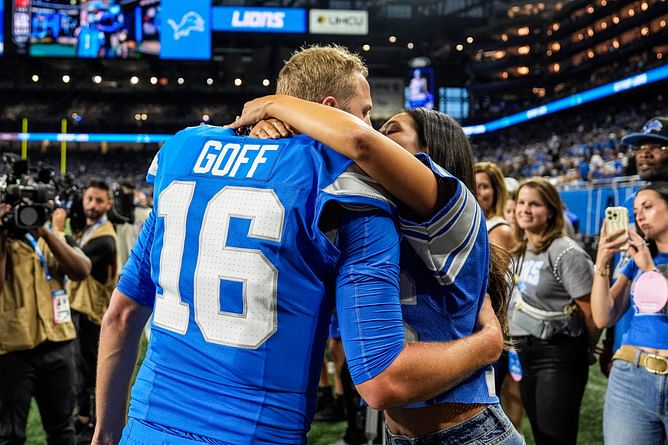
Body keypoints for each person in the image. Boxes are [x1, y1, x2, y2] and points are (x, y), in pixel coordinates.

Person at [92, 45, 504, 445]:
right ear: (331, 109)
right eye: (365, 115)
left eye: (384, 129)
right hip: (261, 429)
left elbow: (123, 314)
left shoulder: (184, 150)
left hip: (151, 420)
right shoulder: (344, 186)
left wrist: (105, 431)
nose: (371, 129)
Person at [231, 99, 522, 443]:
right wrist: (276, 133)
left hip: (468, 432)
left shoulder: (452, 203)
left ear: (431, 152)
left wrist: (273, 104)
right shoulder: (369, 214)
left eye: (391, 131)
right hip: (398, 432)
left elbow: (359, 142)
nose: (374, 132)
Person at [508, 177, 600, 445]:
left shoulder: (564, 251)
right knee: (539, 433)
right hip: (524, 353)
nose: (525, 209)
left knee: (555, 438)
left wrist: (584, 351)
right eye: (522, 202)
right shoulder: (521, 249)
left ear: (550, 211)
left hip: (557, 354)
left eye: (534, 204)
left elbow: (592, 312)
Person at [0, 205, 91, 445]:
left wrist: (46, 232)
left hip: (58, 346)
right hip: (11, 351)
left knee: (62, 430)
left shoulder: (53, 238)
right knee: (9, 435)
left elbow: (82, 270)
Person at [591, 182, 668, 445]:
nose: (639, 216)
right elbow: (603, 316)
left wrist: (648, 269)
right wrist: (602, 262)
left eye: (648, 207)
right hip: (631, 378)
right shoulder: (638, 260)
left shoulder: (644, 261)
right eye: (636, 211)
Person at [67, 180, 118, 441]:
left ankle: (91, 422)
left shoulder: (105, 238)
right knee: (84, 368)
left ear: (108, 203)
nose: (93, 205)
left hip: (93, 314)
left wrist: (58, 232)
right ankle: (88, 417)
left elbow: (76, 262)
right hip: (84, 309)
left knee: (89, 370)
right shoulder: (92, 230)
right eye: (89, 199)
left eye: (99, 200)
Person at [475, 162, 515, 251]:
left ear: (497, 192)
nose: (476, 192)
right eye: (473, 186)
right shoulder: (474, 225)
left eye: (483, 186)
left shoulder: (500, 231)